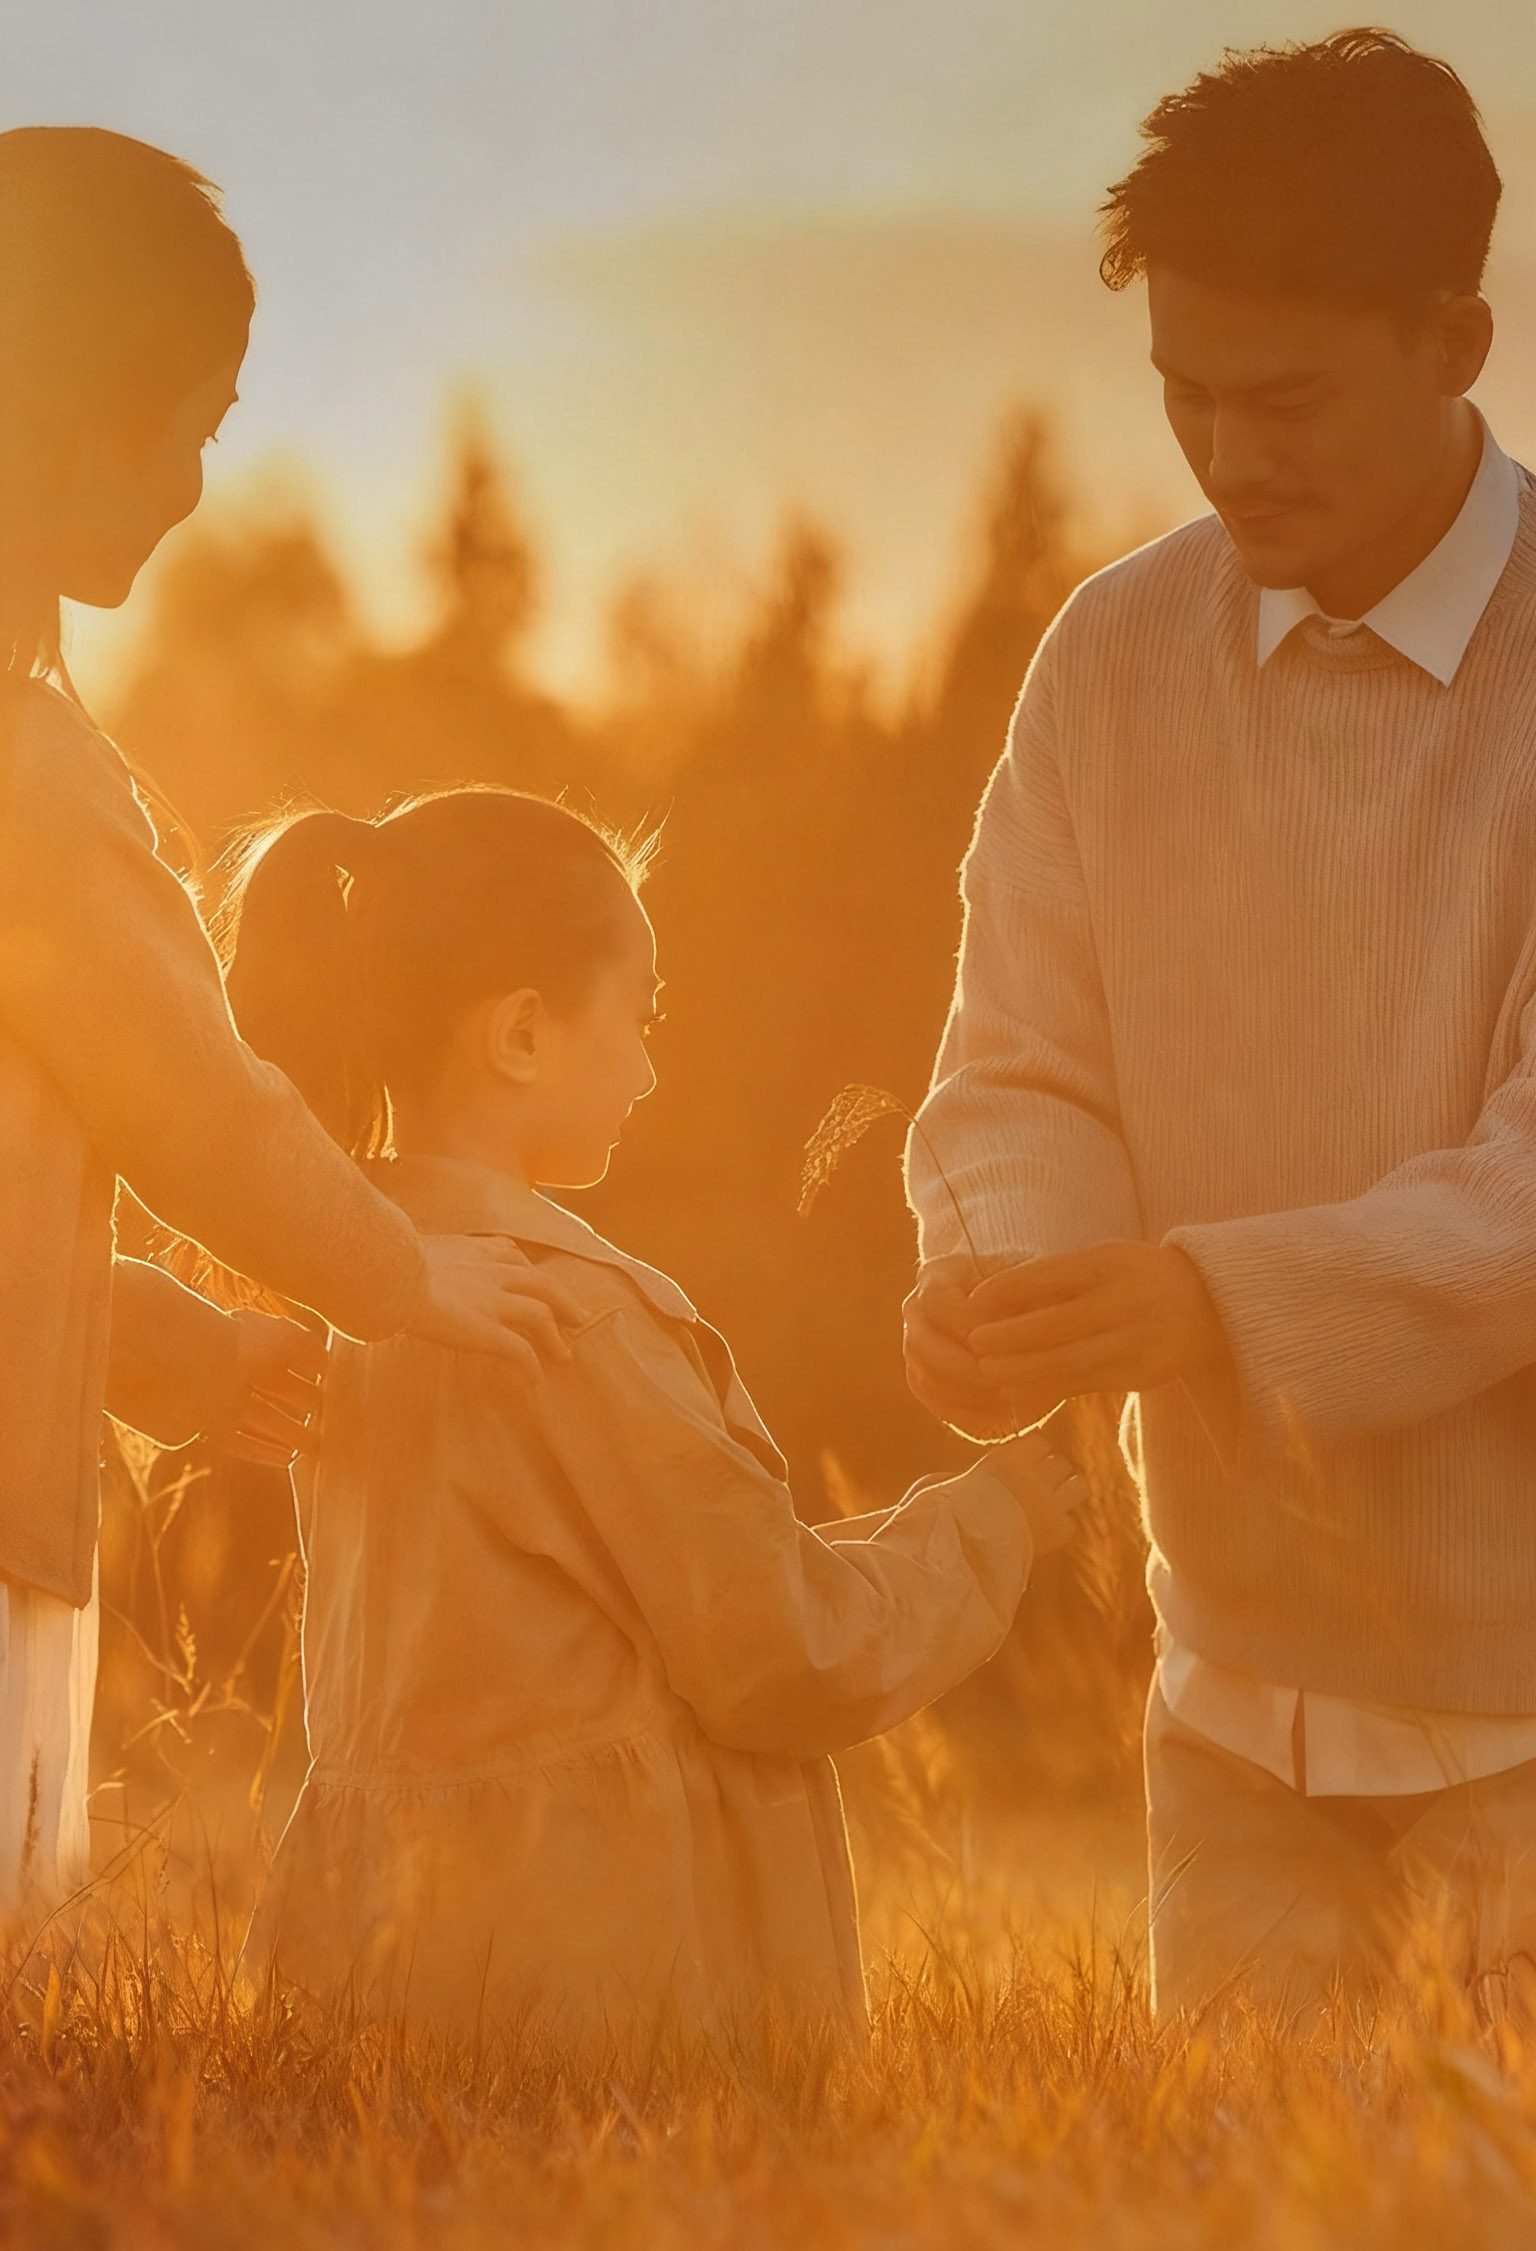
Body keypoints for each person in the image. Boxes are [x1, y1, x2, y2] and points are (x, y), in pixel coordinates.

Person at [902, 30, 1536, 2021]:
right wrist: (1012, 1274)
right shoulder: (1113, 658)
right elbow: (1017, 1062)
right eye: (1183, 393)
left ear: (1459, 340)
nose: (1228, 452)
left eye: (1286, 398)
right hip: (1231, 1708)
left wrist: (1200, 1305)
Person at [227, 790, 1084, 2041]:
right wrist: (987, 1524)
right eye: (641, 1017)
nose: (650, 1067)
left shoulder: (355, 1298)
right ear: (521, 1035)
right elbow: (781, 1649)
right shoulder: (578, 1318)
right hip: (596, 1996)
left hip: (380, 1978)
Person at [0, 128, 567, 1916]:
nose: (189, 479)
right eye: (188, 419)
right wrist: (396, 1275)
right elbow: (196, 1105)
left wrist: (178, 1357)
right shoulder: (29, 776)